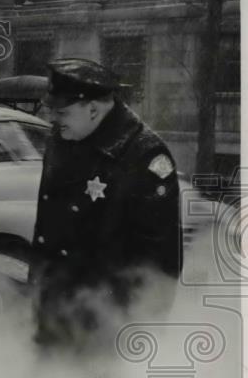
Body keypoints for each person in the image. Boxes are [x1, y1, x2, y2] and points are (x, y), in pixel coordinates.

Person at [30, 58, 182, 351]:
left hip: (108, 326)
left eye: (61, 112)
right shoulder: (63, 137)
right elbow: (48, 228)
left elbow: (160, 263)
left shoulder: (145, 157)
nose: (54, 120)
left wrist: (140, 333)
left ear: (93, 109)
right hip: (55, 310)